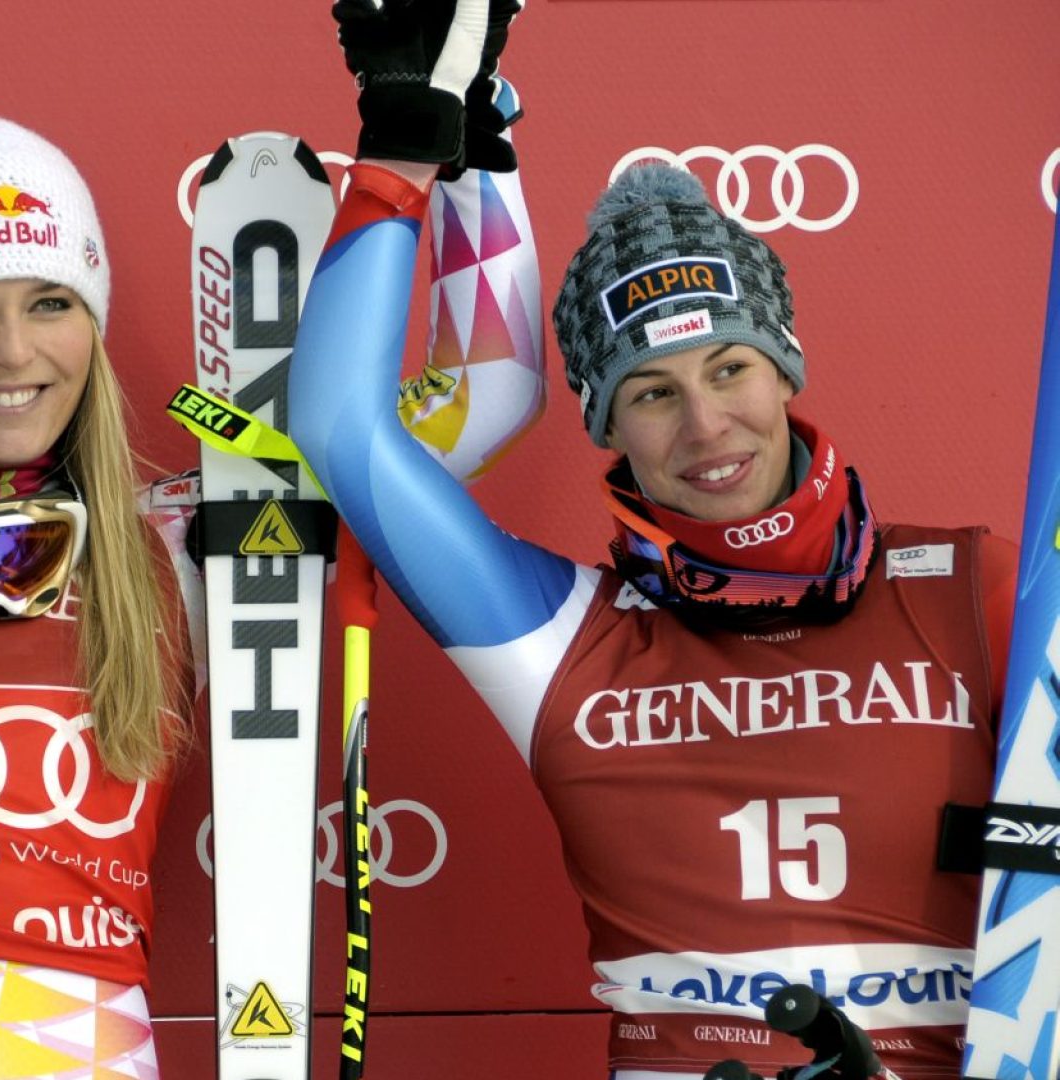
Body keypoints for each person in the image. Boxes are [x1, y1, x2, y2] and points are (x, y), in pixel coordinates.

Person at [0, 71, 543, 1072]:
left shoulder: (183, 546)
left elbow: (488, 393)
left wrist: (463, 145)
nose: (14, 350)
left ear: (91, 328)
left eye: (52, 302)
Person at [289, 3, 1011, 1078]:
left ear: (785, 369)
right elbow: (344, 427)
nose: (707, 428)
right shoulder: (562, 638)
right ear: (605, 423)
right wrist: (400, 152)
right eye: (652, 392)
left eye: (730, 370)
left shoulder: (977, 588)